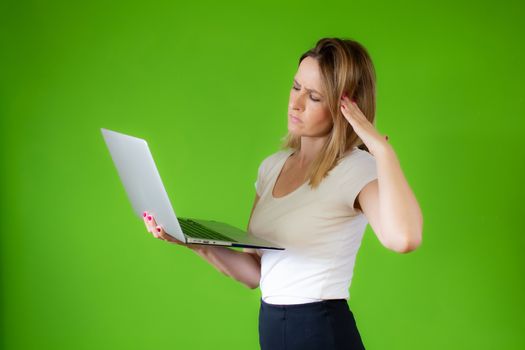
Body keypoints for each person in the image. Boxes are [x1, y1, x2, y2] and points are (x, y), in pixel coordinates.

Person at [143, 37, 423, 350]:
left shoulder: (357, 168)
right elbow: (254, 273)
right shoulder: (271, 168)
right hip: (274, 327)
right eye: (295, 87)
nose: (296, 103)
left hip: (321, 331)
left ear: (346, 108)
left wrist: (382, 150)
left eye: (315, 96)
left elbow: (404, 239)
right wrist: (187, 239)